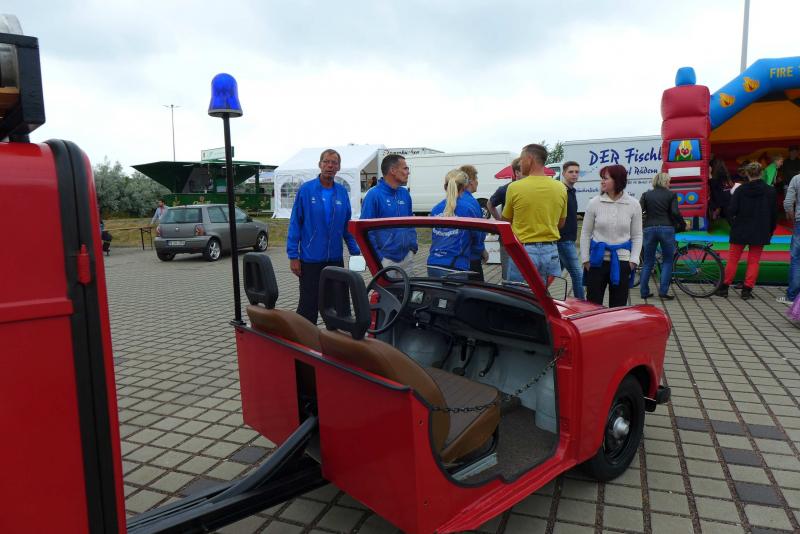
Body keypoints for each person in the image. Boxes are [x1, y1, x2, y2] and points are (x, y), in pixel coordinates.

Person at [287, 148, 361, 323]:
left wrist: (356, 252)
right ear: (319, 165)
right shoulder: (306, 190)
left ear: (338, 167)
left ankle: (337, 336)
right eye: (326, 162)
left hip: (335, 259)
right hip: (311, 260)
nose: (330, 165)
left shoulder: (342, 192)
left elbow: (347, 226)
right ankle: (305, 337)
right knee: (308, 306)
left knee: (339, 305)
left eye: (334, 163)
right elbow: (295, 224)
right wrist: (293, 256)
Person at [502, 144, 567, 285]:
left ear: (529, 159)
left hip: (524, 251)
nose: (520, 163)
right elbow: (561, 223)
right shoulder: (561, 187)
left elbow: (505, 222)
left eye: (521, 159)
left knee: (518, 294)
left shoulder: (514, 187)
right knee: (545, 295)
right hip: (551, 251)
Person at [580, 165, 643, 307]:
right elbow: (585, 233)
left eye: (605, 178)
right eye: (601, 178)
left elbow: (637, 236)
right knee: (592, 306)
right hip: (596, 261)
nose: (602, 181)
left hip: (622, 262)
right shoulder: (594, 203)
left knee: (618, 307)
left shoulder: (633, 204)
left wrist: (633, 261)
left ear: (618, 180)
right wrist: (585, 260)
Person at [714, 162, 777, 300]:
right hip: (760, 230)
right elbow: (773, 214)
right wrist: (770, 231)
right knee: (754, 261)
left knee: (733, 259)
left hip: (740, 228)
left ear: (747, 174)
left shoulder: (740, 190)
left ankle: (724, 288)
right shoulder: (770, 191)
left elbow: (731, 210)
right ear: (761, 173)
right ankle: (747, 290)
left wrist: (734, 224)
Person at [360, 154, 418, 275]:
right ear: (393, 170)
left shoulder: (404, 194)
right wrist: (379, 258)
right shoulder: (373, 195)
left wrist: (413, 247)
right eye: (405, 168)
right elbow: (365, 231)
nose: (408, 172)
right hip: (386, 260)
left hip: (407, 257)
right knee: (386, 289)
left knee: (408, 288)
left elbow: (410, 223)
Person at [427, 169, 484, 278]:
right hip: (456, 266)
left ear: (445, 187)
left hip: (433, 264)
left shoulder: (435, 209)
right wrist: (480, 252)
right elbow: (477, 237)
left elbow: (436, 236)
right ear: (464, 187)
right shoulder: (468, 209)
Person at [639, 172, 682, 300]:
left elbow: (639, 211)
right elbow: (675, 212)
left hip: (649, 228)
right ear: (665, 182)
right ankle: (663, 291)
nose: (670, 184)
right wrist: (682, 224)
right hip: (666, 228)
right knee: (668, 261)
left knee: (648, 262)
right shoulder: (671, 195)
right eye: (669, 181)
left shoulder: (646, 195)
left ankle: (644, 292)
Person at [487, 157, 521, 279]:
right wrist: (500, 221)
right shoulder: (505, 189)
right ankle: (507, 286)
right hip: (508, 235)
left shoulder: (531, 188)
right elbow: (490, 204)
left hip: (525, 236)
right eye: (525, 171)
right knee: (507, 270)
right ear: (517, 172)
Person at [557, 161, 584, 299]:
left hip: (569, 239)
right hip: (564, 240)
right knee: (578, 274)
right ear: (563, 173)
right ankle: (583, 304)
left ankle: (539, 298)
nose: (574, 174)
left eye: (577, 172)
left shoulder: (571, 191)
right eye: (571, 172)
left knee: (554, 274)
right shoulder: (561, 190)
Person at [459, 164, 488, 280]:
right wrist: (482, 251)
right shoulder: (472, 203)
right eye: (476, 179)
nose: (477, 182)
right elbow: (478, 233)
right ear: (471, 182)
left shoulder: (450, 200)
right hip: (470, 258)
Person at [780, 170, 800, 304]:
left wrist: (793, 219)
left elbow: (788, 203)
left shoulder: (797, 179)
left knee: (797, 259)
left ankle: (792, 297)